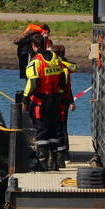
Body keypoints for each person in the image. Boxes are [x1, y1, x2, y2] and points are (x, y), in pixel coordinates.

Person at [23, 33, 66, 171]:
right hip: (55, 100)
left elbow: (33, 83)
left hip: (41, 101)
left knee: (42, 131)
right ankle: (54, 163)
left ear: (34, 47)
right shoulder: (55, 58)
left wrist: (25, 99)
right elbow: (62, 80)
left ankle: (42, 163)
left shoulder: (35, 62)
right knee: (53, 130)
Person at [53, 44, 77, 168]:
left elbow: (64, 86)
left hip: (60, 100)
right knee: (63, 127)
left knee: (60, 127)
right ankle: (64, 153)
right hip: (66, 99)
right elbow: (69, 86)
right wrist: (72, 101)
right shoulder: (66, 64)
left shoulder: (60, 65)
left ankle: (64, 155)